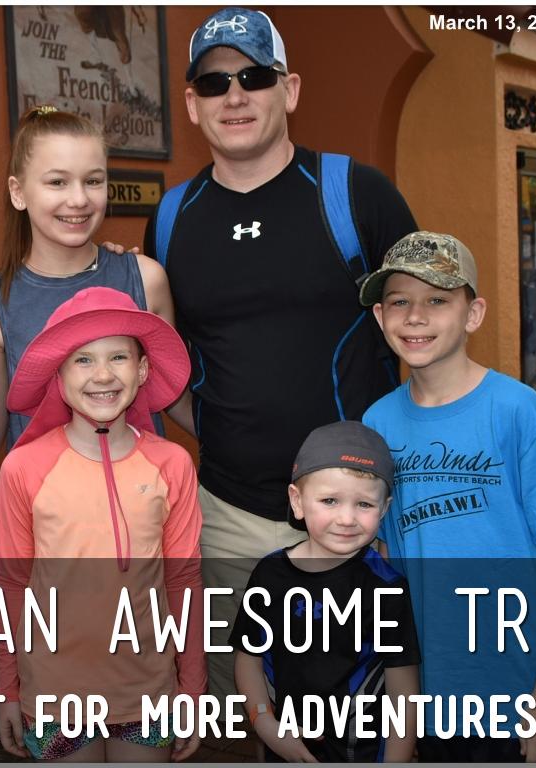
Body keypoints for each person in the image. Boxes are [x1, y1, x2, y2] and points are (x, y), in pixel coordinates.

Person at [141, 6, 418, 700]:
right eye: (214, 83)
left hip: (356, 515)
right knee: (258, 710)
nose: (234, 96)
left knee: (366, 707)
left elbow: (427, 336)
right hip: (230, 514)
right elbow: (163, 357)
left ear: (288, 90)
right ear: (192, 105)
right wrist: (213, 427)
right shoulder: (170, 219)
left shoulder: (358, 194)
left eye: (254, 77)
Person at [359, 231, 536, 762]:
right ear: (380, 317)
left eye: (437, 300)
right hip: (431, 687)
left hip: (520, 683)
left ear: (473, 314)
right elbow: (385, 555)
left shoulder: (518, 410)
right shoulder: (377, 422)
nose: (416, 317)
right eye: (399, 302)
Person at [0, 287, 204, 762]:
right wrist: (7, 689)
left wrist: (192, 689)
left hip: (148, 691)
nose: (103, 375)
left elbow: (184, 582)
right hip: (54, 694)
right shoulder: (23, 468)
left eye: (118, 357)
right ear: (59, 375)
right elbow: (13, 584)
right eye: (83, 360)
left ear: (142, 370)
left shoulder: (172, 464)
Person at [0, 106, 173, 455]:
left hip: (143, 486)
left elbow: (173, 393)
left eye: (93, 181)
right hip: (47, 490)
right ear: (18, 192)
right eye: (57, 182)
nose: (78, 200)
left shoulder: (146, 279)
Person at [230, 421, 419, 762]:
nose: (346, 518)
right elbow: (248, 658)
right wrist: (264, 722)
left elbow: (403, 692)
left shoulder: (386, 588)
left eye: (364, 504)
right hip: (286, 747)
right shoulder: (270, 574)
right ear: (297, 501)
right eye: (329, 500)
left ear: (385, 509)